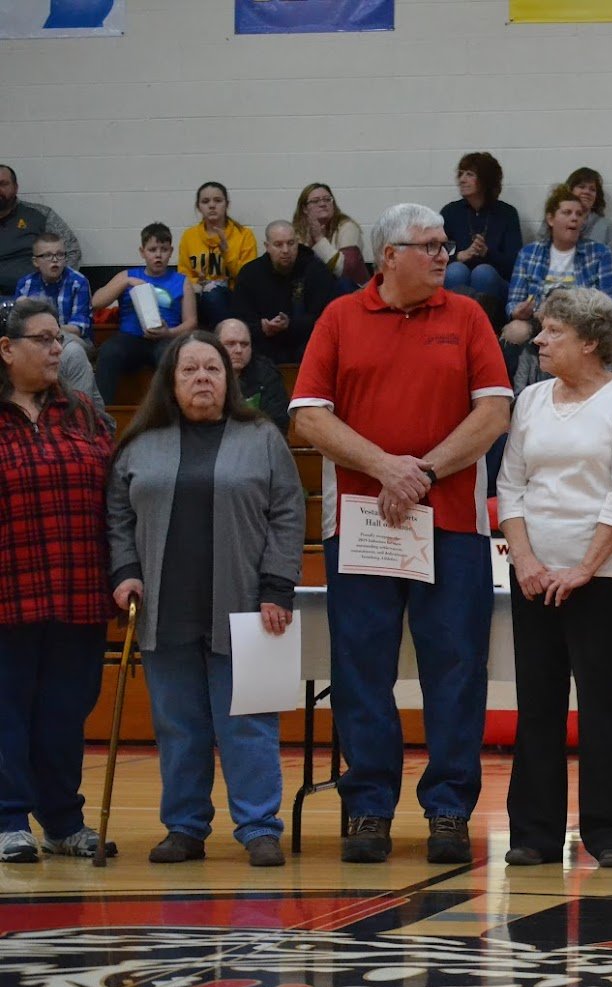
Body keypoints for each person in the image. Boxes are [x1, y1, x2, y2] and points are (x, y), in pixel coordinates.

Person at [290, 202, 513, 864]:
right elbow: (307, 416)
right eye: (430, 245)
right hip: (359, 525)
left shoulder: (468, 316)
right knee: (361, 671)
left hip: (453, 526)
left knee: (455, 670)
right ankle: (368, 807)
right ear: (389, 256)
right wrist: (383, 466)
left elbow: (495, 411)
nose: (445, 255)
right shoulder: (338, 318)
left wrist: (421, 471)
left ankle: (447, 808)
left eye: (445, 244)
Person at [107, 332, 304, 867]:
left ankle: (260, 827)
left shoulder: (261, 436)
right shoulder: (140, 442)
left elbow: (288, 512)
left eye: (212, 370)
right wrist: (125, 570)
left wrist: (277, 587)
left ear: (229, 379)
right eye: (189, 370)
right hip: (164, 608)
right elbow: (118, 516)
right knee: (178, 725)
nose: (201, 379)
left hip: (248, 607)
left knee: (250, 721)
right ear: (170, 382)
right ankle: (185, 827)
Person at [496, 287, 612, 868]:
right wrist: (528, 563)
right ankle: (533, 834)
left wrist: (583, 569)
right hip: (534, 576)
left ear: (590, 341)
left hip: (605, 578)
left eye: (553, 331)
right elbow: (509, 486)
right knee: (537, 703)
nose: (538, 339)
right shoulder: (532, 398)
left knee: (601, 702)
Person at [0, 299, 116, 864]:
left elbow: (115, 493)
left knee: (66, 713)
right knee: (7, 711)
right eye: (44, 339)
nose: (57, 350)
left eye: (59, 340)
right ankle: (8, 820)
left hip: (78, 591)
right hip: (8, 594)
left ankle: (63, 820)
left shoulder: (84, 413)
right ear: (7, 349)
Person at [500, 186, 612, 349]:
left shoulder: (599, 253)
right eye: (567, 212)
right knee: (515, 331)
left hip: (580, 323)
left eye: (579, 214)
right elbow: (513, 302)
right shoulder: (529, 254)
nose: (574, 218)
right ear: (550, 219)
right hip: (539, 321)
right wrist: (517, 311)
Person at [92, 223, 197, 405]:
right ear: (142, 252)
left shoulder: (182, 281)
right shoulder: (128, 275)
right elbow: (96, 302)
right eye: (152, 249)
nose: (158, 255)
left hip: (166, 338)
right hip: (131, 339)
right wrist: (126, 283)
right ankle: (101, 415)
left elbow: (191, 322)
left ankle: (172, 416)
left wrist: (169, 333)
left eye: (163, 250)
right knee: (109, 351)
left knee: (171, 355)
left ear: (171, 251)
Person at [16, 233, 108, 420]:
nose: (55, 260)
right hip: (39, 341)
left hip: (74, 340)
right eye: (48, 255)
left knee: (71, 351)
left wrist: (46, 330)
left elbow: (79, 326)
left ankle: (79, 418)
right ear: (36, 261)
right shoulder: (25, 285)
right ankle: (94, 417)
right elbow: (18, 326)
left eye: (60, 255)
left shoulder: (78, 281)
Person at [232, 220, 337, 364]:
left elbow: (327, 317)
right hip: (263, 346)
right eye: (278, 244)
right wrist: (262, 328)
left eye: (291, 243)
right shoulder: (250, 274)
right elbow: (240, 320)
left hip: (306, 344)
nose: (286, 250)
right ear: (267, 247)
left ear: (298, 242)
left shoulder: (315, 270)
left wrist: (291, 325)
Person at [441, 151, 523, 302]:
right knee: (455, 271)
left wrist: (488, 253)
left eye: (469, 174)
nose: (462, 180)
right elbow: (436, 254)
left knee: (483, 273)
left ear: (486, 180)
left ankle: (483, 324)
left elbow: (515, 265)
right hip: (459, 276)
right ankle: (456, 323)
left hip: (496, 282)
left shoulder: (507, 214)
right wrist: (459, 256)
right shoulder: (450, 212)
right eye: (460, 174)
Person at [177, 182, 259, 329]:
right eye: (205, 201)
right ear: (198, 206)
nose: (212, 205)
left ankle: (226, 339)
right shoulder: (189, 236)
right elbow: (183, 275)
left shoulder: (244, 235)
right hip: (199, 296)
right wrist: (200, 283)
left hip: (233, 297)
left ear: (227, 204)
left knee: (213, 295)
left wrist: (227, 253)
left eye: (218, 200)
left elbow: (248, 278)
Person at [0, 164, 81, 298]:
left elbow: (72, 251)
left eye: (3, 184)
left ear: (15, 188)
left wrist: (54, 284)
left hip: (33, 299)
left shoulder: (40, 215)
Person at [216, 317, 290, 432]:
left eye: (244, 344)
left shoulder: (267, 373)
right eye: (231, 344)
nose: (239, 350)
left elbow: (278, 422)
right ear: (216, 346)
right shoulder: (205, 375)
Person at [292, 183, 370, 286]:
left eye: (327, 199)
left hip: (352, 291)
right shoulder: (297, 232)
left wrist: (319, 239)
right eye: (315, 201)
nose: (323, 204)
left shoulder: (347, 227)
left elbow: (346, 271)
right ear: (305, 209)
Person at [563, 167, 612, 283]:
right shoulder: (555, 222)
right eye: (581, 187)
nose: (587, 192)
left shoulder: (606, 226)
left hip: (595, 293)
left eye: (592, 189)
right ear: (570, 191)